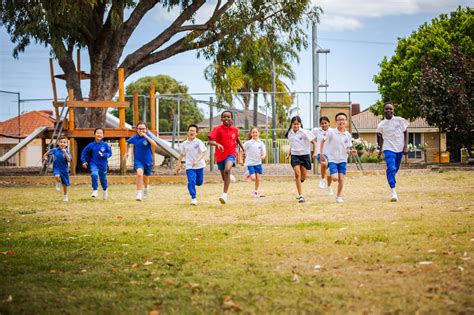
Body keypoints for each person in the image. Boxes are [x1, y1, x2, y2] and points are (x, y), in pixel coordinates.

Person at [208, 110, 245, 204]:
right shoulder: (218, 129)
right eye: (224, 117)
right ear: (221, 119)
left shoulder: (235, 129)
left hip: (231, 154)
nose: (226, 118)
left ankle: (224, 194)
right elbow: (210, 141)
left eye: (228, 117)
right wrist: (217, 145)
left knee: (227, 170)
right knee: (224, 177)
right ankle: (229, 177)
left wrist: (243, 148)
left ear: (231, 119)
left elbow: (237, 138)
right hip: (220, 156)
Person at [320, 112, 357, 203]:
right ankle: (329, 173)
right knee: (335, 178)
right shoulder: (331, 132)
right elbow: (322, 141)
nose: (341, 121)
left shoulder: (347, 135)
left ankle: (338, 196)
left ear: (346, 121)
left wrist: (351, 152)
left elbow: (348, 148)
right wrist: (321, 153)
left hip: (343, 159)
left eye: (343, 119)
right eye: (339, 120)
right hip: (332, 159)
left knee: (341, 178)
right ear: (336, 122)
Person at [376, 102, 409, 202]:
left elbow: (406, 132)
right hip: (388, 148)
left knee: (395, 168)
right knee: (391, 167)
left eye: (390, 109)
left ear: (393, 110)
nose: (389, 110)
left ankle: (390, 175)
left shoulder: (400, 120)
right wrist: (380, 150)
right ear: (384, 110)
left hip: (399, 148)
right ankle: (393, 191)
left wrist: (405, 146)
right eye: (386, 109)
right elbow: (380, 138)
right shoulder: (381, 124)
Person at [285, 116, 317, 203]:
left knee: (303, 177)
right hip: (295, 156)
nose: (296, 126)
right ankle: (301, 196)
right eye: (294, 124)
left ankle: (300, 180)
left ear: (300, 124)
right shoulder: (290, 133)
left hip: (305, 156)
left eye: (297, 124)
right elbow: (292, 145)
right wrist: (289, 154)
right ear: (291, 124)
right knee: (297, 174)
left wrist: (315, 152)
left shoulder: (305, 132)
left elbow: (314, 142)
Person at [124, 122, 157, 201]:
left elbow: (154, 145)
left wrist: (145, 136)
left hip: (148, 161)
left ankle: (146, 189)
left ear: (146, 129)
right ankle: (139, 193)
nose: (141, 130)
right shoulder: (135, 138)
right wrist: (126, 152)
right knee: (139, 174)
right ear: (137, 130)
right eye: (139, 128)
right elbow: (127, 142)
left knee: (146, 177)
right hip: (138, 160)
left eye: (143, 128)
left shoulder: (148, 136)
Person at [176, 124, 207, 206]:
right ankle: (193, 198)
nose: (192, 132)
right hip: (190, 166)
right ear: (188, 132)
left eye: (193, 131)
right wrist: (178, 164)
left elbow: (203, 152)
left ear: (196, 133)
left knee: (199, 182)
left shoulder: (199, 142)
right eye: (190, 130)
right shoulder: (184, 144)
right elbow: (182, 154)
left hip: (199, 165)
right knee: (191, 181)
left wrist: (197, 160)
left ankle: (192, 184)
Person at [81, 128, 112, 200]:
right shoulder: (91, 145)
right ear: (94, 134)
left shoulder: (105, 144)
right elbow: (84, 153)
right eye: (97, 133)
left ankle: (105, 190)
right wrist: (84, 161)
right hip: (93, 163)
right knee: (94, 174)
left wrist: (103, 155)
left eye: (101, 133)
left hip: (103, 164)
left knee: (103, 178)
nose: (99, 134)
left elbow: (110, 153)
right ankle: (95, 190)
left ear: (103, 135)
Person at [42, 135, 72, 202]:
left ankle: (65, 195)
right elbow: (47, 153)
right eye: (61, 142)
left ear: (66, 144)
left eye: (64, 142)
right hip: (57, 168)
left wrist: (65, 153)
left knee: (65, 184)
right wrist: (44, 156)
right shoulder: (55, 150)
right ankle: (58, 182)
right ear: (58, 143)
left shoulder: (67, 151)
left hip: (64, 169)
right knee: (57, 176)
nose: (62, 143)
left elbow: (69, 160)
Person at [243, 127, 266, 198]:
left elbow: (264, 153)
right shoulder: (248, 143)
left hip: (258, 163)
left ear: (258, 133)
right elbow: (242, 149)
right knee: (253, 178)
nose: (255, 134)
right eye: (253, 132)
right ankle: (248, 173)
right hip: (250, 163)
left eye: (256, 132)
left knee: (258, 179)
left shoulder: (261, 143)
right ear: (251, 134)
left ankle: (256, 192)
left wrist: (263, 156)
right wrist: (240, 159)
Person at [312, 116, 331, 189]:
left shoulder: (332, 131)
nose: (324, 125)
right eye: (322, 123)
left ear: (329, 123)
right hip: (321, 153)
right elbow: (308, 135)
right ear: (320, 124)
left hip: (331, 154)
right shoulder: (316, 130)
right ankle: (322, 179)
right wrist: (314, 143)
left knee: (330, 172)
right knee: (324, 163)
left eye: (325, 123)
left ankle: (329, 187)